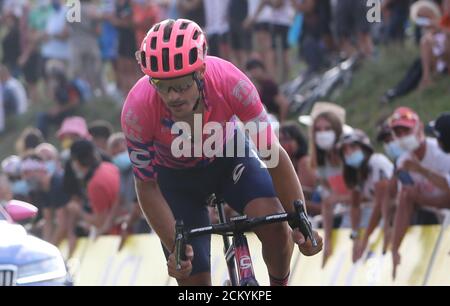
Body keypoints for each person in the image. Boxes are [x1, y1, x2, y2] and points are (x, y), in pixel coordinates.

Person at [122, 18, 322, 286]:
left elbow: (273, 157)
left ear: (200, 72)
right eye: (161, 85)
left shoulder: (230, 82)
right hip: (176, 181)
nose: (172, 96)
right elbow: (146, 186)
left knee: (276, 226)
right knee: (193, 276)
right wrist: (176, 249)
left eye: (181, 85)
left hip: (230, 160)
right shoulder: (137, 109)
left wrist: (300, 220)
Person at [389, 107, 450, 279]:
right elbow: (406, 200)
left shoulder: (442, 152)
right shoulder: (402, 161)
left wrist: (420, 172)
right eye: (397, 132)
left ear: (419, 128)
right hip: (432, 219)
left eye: (405, 130)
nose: (402, 136)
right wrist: (395, 248)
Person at [337, 129, 394, 262]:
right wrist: (356, 236)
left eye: (353, 147)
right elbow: (355, 205)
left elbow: (380, 204)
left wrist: (366, 237)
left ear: (364, 147)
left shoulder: (376, 162)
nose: (349, 152)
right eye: (345, 150)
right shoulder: (357, 172)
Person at [306, 102, 351, 266]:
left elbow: (368, 191)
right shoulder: (321, 163)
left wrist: (338, 198)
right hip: (347, 215)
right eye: (318, 129)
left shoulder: (350, 154)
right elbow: (327, 202)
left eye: (327, 129)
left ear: (338, 130)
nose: (322, 134)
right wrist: (328, 241)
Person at [67, 140, 121, 236]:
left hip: (116, 233)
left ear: (77, 161)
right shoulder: (108, 166)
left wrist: (79, 212)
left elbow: (100, 222)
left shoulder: (95, 184)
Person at [20, 152, 70, 246]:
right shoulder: (42, 189)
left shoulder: (57, 184)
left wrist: (51, 249)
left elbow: (63, 224)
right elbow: (48, 221)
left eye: (27, 173)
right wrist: (46, 245)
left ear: (39, 170)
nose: (25, 178)